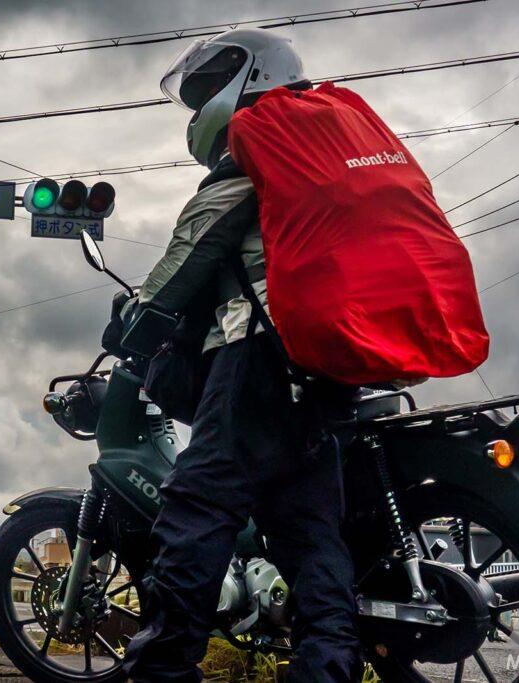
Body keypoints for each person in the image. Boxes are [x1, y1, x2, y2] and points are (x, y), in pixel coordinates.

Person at [118, 29, 361, 683]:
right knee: (309, 527)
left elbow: (188, 256)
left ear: (247, 78)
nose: (197, 114)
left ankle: (163, 668)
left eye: (203, 96)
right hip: (325, 361)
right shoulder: (329, 147)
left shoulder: (257, 148)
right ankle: (327, 667)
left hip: (257, 354)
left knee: (196, 507)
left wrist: (134, 322)